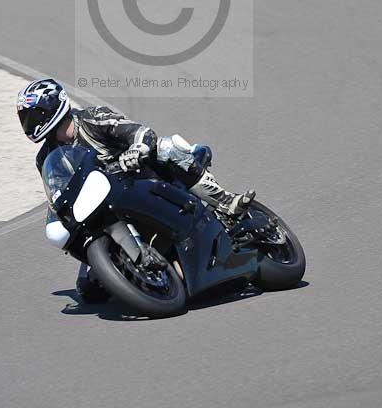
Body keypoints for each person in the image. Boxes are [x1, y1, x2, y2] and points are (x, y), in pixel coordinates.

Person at [17, 78, 255, 301]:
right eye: (25, 118)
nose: (29, 124)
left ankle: (226, 202)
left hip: (140, 179)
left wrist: (138, 149)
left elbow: (140, 132)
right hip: (102, 208)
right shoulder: (45, 158)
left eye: (32, 116)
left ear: (50, 107)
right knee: (89, 291)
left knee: (166, 147)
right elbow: (57, 190)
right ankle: (145, 269)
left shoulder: (93, 118)